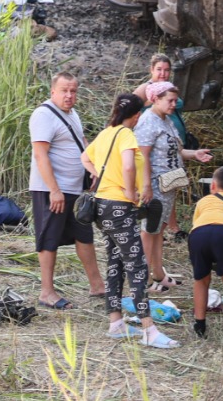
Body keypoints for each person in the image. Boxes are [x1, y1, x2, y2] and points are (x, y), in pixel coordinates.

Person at [88, 93, 180, 348]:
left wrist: (103, 180)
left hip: (102, 206)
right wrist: (130, 191)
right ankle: (149, 329)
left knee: (115, 262)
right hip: (120, 206)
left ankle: (116, 322)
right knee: (137, 265)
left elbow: (85, 158)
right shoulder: (126, 134)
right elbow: (129, 166)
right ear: (137, 115)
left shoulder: (106, 133)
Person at [28, 72, 105, 309]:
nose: (69, 95)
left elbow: (81, 143)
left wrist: (92, 169)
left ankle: (97, 286)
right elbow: (40, 154)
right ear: (53, 91)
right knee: (49, 238)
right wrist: (54, 190)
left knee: (84, 235)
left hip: (75, 189)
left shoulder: (72, 114)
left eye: (73, 91)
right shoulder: (43, 115)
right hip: (51, 189)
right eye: (64, 91)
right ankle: (46, 292)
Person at [135, 81, 213, 293]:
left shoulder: (167, 119)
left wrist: (194, 154)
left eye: (175, 100)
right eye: (170, 100)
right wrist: (145, 186)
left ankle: (158, 273)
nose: (174, 104)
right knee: (149, 230)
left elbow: (177, 151)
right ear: (155, 99)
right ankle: (142, 279)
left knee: (159, 229)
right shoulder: (148, 121)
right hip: (155, 184)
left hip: (169, 183)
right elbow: (142, 156)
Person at [133, 54, 192, 241]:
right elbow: (128, 107)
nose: (163, 73)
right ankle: (166, 228)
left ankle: (170, 226)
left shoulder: (169, 89)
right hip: (156, 152)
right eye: (159, 69)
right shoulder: (146, 90)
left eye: (167, 70)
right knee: (155, 213)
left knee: (169, 191)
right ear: (151, 70)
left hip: (171, 147)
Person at [188, 166, 223, 338]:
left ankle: (200, 325)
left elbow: (197, 224)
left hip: (198, 235)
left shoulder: (202, 201)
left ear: (213, 185)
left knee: (201, 280)